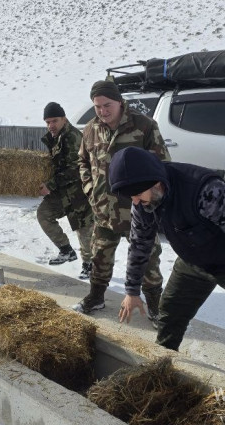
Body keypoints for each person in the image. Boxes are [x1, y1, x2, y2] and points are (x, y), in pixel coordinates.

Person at [109, 146, 225, 389]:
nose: (134, 202)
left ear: (156, 183)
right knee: (170, 315)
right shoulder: (143, 202)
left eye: (137, 195)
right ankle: (160, 377)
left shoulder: (205, 191)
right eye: (130, 198)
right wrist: (132, 290)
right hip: (193, 262)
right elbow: (139, 244)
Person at [73, 80, 170, 322]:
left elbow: (162, 166)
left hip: (137, 209)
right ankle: (96, 297)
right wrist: (90, 188)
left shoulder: (144, 126)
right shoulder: (90, 129)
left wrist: (151, 200)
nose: (103, 111)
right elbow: (82, 162)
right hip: (104, 209)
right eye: (97, 106)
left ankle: (155, 306)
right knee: (99, 256)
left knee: (147, 258)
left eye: (107, 105)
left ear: (119, 101)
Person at [36, 102, 94, 279]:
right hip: (62, 192)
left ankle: (89, 264)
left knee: (84, 229)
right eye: (47, 122)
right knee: (44, 214)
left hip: (78, 192)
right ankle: (66, 250)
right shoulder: (56, 137)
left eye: (54, 121)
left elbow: (76, 169)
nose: (51, 125)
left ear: (64, 119)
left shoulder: (72, 137)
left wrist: (50, 185)